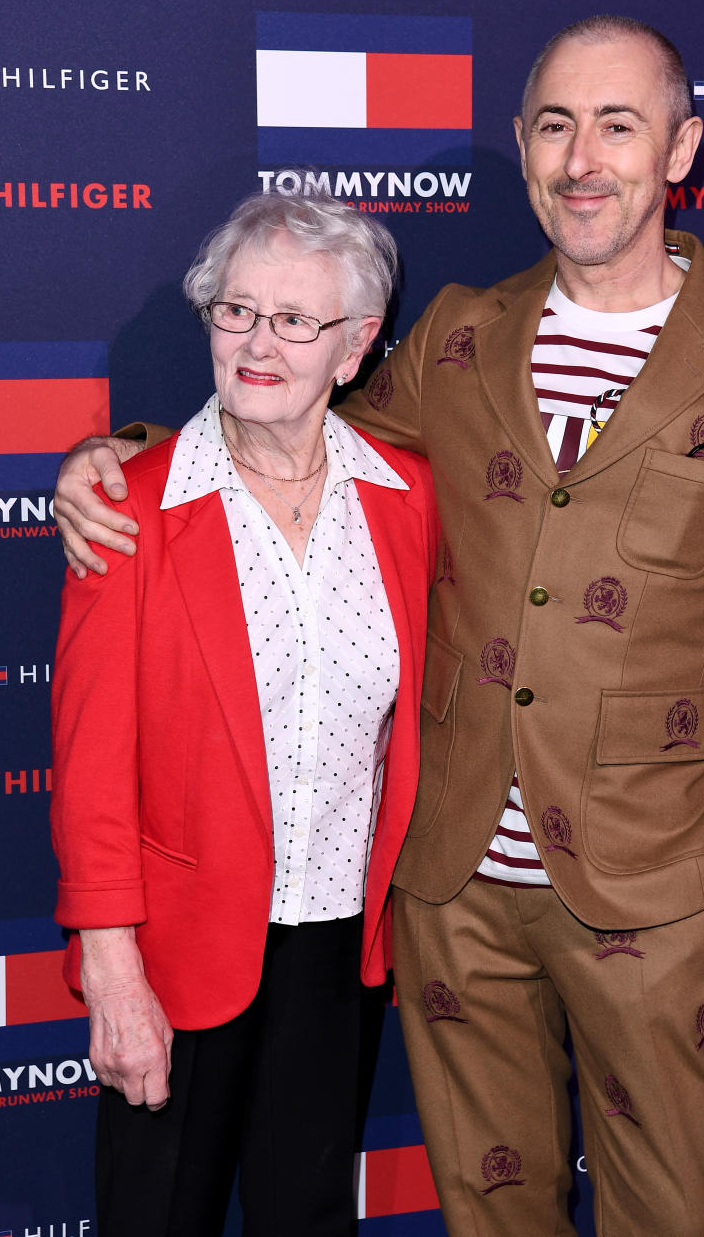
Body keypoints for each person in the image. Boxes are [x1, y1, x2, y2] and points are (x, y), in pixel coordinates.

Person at [54, 15, 704, 1236]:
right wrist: (128, 460)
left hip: (658, 895)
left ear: (681, 148)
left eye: (618, 125)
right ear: (524, 149)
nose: (582, 157)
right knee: (489, 1212)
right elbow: (295, 420)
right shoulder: (463, 335)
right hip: (451, 893)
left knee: (668, 1212)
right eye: (554, 125)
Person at [49, 190, 439, 1237]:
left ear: (355, 347)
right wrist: (112, 965)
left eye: (296, 320)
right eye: (236, 311)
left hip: (336, 947)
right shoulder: (129, 507)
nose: (259, 342)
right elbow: (89, 765)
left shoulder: (408, 498)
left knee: (307, 1216)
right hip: (175, 956)